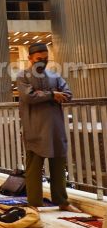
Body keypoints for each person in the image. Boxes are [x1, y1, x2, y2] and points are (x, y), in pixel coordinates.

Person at [17, 43, 81, 213]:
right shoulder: (23, 77)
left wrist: (46, 95)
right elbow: (29, 96)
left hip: (55, 128)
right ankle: (34, 203)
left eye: (45, 59)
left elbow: (67, 94)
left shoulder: (55, 76)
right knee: (34, 169)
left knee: (59, 166)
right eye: (39, 59)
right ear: (30, 58)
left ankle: (62, 201)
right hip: (34, 128)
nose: (42, 62)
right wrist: (52, 94)